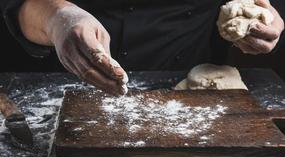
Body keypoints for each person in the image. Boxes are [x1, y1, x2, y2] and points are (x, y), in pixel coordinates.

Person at [0, 0, 284, 95]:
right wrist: (57, 19)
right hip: (65, 79)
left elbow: (262, 3)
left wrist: (262, 17)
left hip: (193, 84)